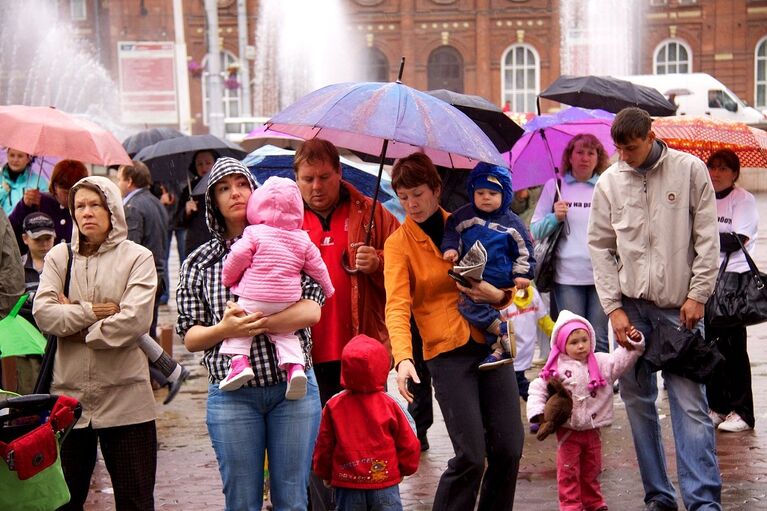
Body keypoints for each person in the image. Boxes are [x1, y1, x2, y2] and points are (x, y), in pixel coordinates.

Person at [588, 107, 722, 511]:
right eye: (619, 149)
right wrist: (612, 308)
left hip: (678, 309)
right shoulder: (609, 182)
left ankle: (702, 502)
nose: (624, 156)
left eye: (630, 148)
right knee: (640, 405)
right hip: (630, 310)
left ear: (650, 135)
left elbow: (707, 238)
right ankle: (658, 498)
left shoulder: (690, 170)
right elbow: (600, 248)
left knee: (690, 405)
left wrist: (698, 294)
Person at [176, 157, 325, 510]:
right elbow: (190, 335)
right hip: (232, 395)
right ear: (212, 200)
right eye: (224, 188)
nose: (235, 194)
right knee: (242, 499)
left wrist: (258, 323)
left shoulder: (291, 241)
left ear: (255, 190)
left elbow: (312, 309)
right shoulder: (200, 262)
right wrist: (226, 329)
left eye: (241, 184)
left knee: (292, 498)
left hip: (292, 391)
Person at [385, 152, 524, 511]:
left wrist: (501, 294)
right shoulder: (399, 244)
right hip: (445, 352)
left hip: (492, 339)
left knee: (509, 447)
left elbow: (509, 278)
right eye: (403, 197)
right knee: (471, 456)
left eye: (417, 193)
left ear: (436, 188)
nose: (411, 204)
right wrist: (402, 358)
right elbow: (397, 306)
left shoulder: (470, 223)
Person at [32, 176, 159, 510]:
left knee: (135, 500)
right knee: (65, 500)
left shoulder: (138, 258)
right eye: (79, 206)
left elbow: (134, 320)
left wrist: (74, 325)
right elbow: (44, 314)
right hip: (68, 402)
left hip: (127, 400)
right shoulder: (59, 256)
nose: (86, 212)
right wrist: (95, 312)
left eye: (95, 204)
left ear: (112, 208)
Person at [294, 138, 400, 404]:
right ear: (295, 178)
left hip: (362, 346)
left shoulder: (371, 213)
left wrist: (378, 261)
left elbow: (406, 262)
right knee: (316, 436)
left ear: (339, 172)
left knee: (362, 429)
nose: (316, 186)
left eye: (324, 177)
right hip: (301, 351)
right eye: (308, 179)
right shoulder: (286, 220)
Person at [219, 176, 335, 397]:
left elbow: (238, 256)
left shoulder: (253, 233)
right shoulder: (302, 238)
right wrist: (328, 289)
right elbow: (318, 267)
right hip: (287, 299)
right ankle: (295, 368)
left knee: (241, 321)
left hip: (255, 295)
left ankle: (240, 363)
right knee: (286, 333)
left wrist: (228, 278)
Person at [527, 310, 645, 511]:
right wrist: (538, 413)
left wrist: (634, 343)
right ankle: (570, 504)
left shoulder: (600, 362)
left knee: (592, 469)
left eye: (584, 340)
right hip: (568, 430)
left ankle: (593, 502)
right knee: (568, 470)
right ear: (562, 344)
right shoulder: (555, 367)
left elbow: (621, 360)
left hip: (592, 429)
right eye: (574, 342)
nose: (581, 345)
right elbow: (537, 389)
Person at [441, 162, 535, 369]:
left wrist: (522, 274)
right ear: (472, 192)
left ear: (505, 195)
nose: (486, 197)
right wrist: (451, 248)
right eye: (480, 192)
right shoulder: (464, 216)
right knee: (469, 303)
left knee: (471, 306)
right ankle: (500, 348)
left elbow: (525, 250)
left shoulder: (512, 223)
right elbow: (452, 231)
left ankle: (500, 329)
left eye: (492, 193)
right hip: (473, 271)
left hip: (499, 276)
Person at [312, 334, 421, 511]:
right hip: (384, 481)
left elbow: (324, 444)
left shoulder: (334, 405)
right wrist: (405, 468)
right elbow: (408, 441)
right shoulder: (390, 404)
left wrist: (324, 472)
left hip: (347, 483)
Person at [531, 133, 611, 353]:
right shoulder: (555, 186)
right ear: (570, 156)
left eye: (591, 153)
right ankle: (574, 385)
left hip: (601, 275)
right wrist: (553, 217)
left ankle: (598, 385)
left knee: (599, 338)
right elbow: (535, 229)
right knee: (572, 337)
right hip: (567, 276)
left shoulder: (607, 186)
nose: (585, 158)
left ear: (598, 157)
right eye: (580, 152)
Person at [704, 148, 758, 433]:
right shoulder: (703, 198)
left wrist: (702, 234)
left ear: (735, 173)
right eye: (712, 167)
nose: (716, 173)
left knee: (734, 348)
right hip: (705, 281)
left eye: (724, 168)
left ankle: (743, 411)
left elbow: (736, 239)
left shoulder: (744, 200)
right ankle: (718, 406)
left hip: (733, 283)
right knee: (710, 344)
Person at [117, 161, 169, 338]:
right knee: (149, 333)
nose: (119, 184)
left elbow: (131, 247)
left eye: (120, 179)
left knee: (141, 337)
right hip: (156, 274)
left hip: (141, 280)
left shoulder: (133, 207)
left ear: (129, 181)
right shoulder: (155, 202)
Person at [9, 159, 89, 254]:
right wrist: (24, 205)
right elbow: (10, 230)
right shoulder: (39, 201)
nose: (71, 198)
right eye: (66, 193)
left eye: (76, 192)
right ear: (55, 186)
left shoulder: (86, 207)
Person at [15, 212, 55, 394]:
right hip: (27, 344)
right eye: (38, 239)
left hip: (55, 341)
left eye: (48, 238)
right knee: (28, 391)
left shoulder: (64, 265)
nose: (44, 244)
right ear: (25, 238)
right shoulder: (16, 269)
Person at [499, 286, 554, 401]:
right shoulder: (503, 294)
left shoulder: (532, 293)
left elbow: (543, 319)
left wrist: (560, 334)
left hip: (522, 351)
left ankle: (538, 403)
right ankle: (538, 401)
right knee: (517, 383)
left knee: (517, 384)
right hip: (509, 351)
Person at [182, 149, 219, 255]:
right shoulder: (189, 189)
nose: (204, 167)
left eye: (208, 163)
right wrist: (186, 211)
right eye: (199, 164)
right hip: (195, 243)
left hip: (218, 240)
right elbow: (179, 222)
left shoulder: (222, 185)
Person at [1, 148, 49, 215]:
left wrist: (37, 203)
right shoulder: (1, 179)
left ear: (28, 159)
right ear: (7, 156)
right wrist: (3, 191)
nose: (15, 160)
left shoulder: (39, 182)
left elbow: (48, 208)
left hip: (28, 224)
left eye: (20, 156)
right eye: (12, 155)